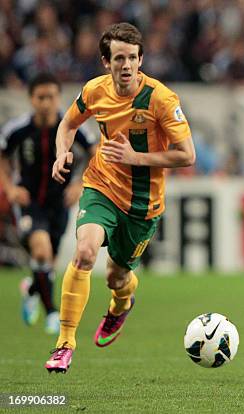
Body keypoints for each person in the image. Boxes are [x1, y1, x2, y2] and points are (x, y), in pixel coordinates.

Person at [44, 22, 195, 373]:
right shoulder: (95, 91)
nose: (125, 65)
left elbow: (186, 155)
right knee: (83, 253)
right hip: (101, 186)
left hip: (143, 205)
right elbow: (66, 125)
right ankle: (64, 344)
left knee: (117, 276)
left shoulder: (161, 99)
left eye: (131, 58)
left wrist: (136, 158)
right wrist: (61, 153)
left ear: (141, 60)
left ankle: (120, 304)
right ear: (105, 61)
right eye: (118, 59)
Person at [0, 73, 95, 335]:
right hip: (30, 201)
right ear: (31, 99)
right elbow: (3, 156)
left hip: (60, 202)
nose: (46, 103)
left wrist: (79, 184)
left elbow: (95, 152)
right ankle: (53, 311)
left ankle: (32, 288)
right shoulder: (18, 129)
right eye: (40, 97)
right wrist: (10, 187)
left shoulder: (72, 126)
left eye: (51, 97)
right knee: (41, 252)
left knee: (47, 261)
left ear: (58, 97)